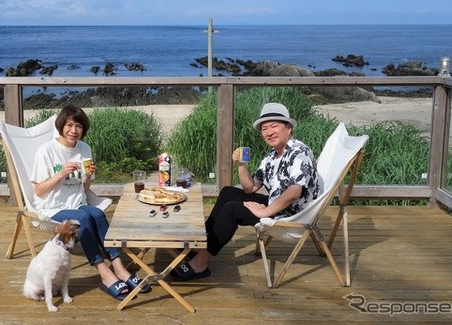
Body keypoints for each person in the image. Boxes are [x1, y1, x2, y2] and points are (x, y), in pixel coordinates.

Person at [172, 102, 323, 280]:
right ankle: (202, 242)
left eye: (274, 126)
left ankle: (201, 263)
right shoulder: (272, 155)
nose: (269, 132)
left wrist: (265, 211)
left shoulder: (299, 152)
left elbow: (294, 192)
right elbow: (250, 188)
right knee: (228, 192)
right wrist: (242, 165)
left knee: (232, 209)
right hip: (279, 205)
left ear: (288, 128)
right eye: (264, 128)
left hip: (292, 213)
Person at [30, 104, 151, 300]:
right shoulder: (46, 151)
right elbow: (39, 190)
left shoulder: (84, 148)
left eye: (79, 126)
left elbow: (84, 189)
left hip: (78, 203)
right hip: (52, 207)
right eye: (69, 125)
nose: (73, 131)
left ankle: (119, 267)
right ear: (61, 125)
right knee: (86, 217)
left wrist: (87, 176)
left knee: (97, 213)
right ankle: (105, 273)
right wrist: (61, 174)